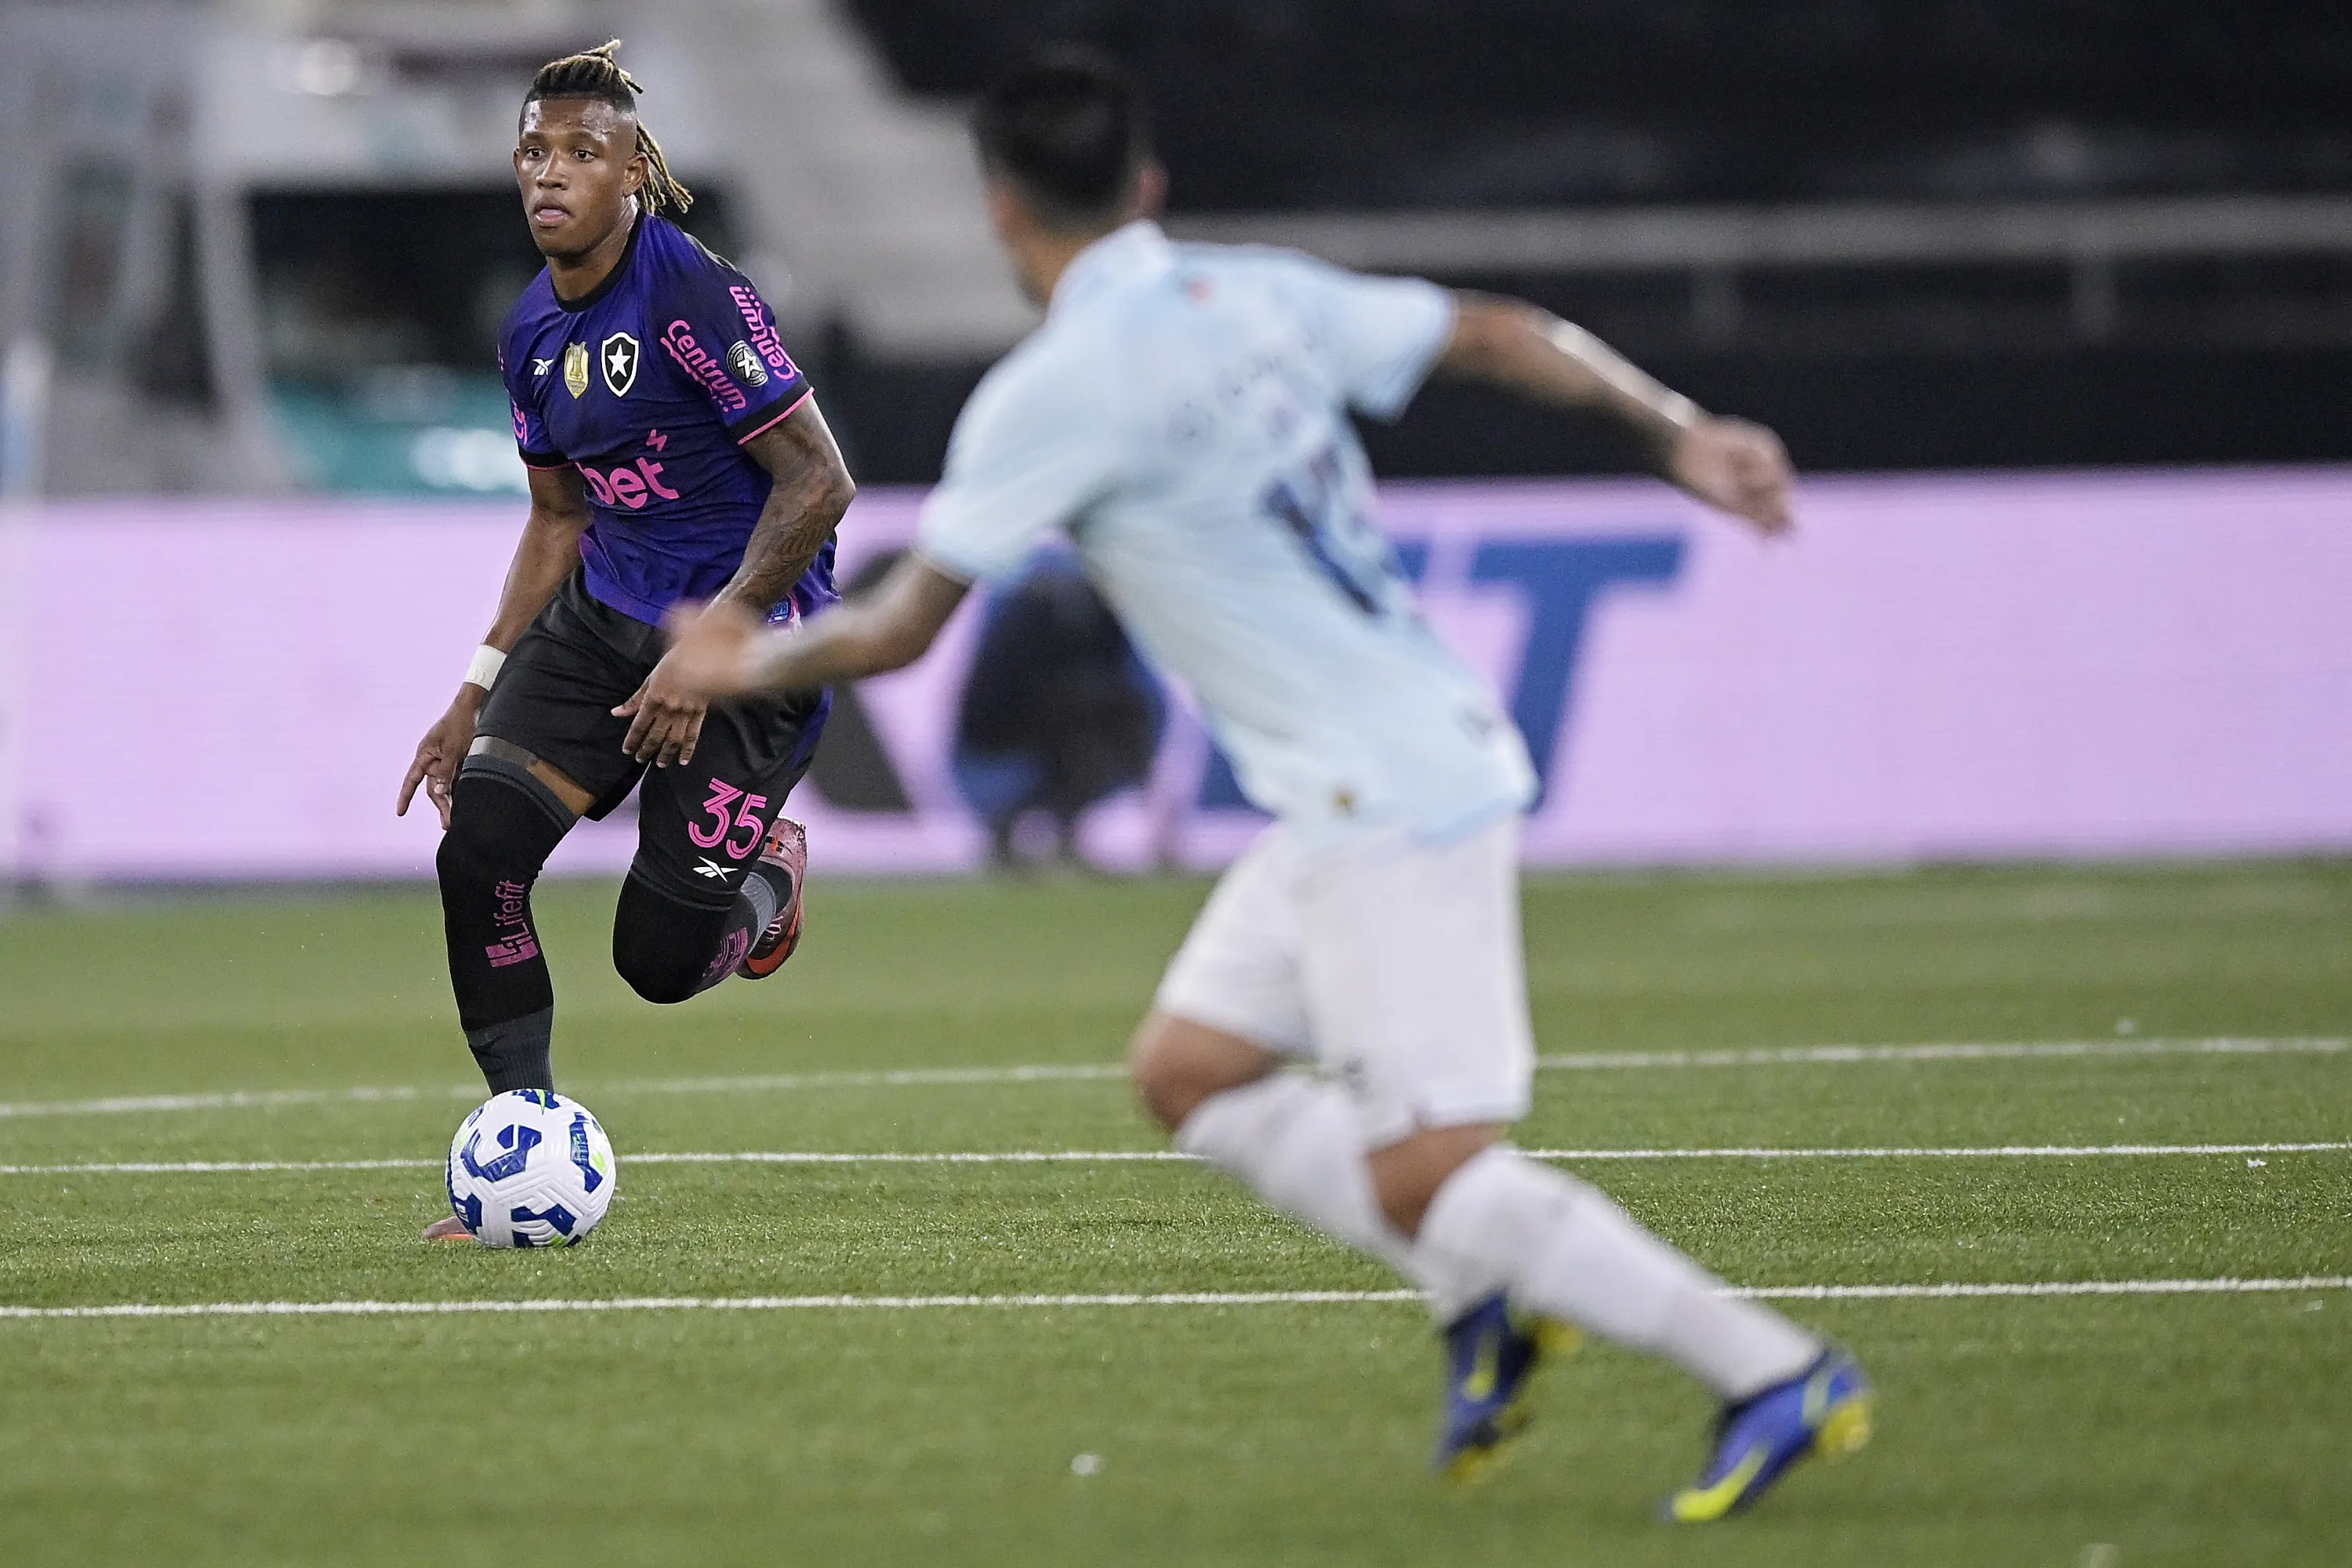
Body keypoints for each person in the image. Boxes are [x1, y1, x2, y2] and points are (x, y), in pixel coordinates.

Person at [659, 50, 1868, 1519]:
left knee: (1428, 1170)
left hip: (1387, 802)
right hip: (1373, 771)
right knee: (1190, 1074)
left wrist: (745, 661)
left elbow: (905, 627)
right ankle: (1481, 1300)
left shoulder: (1048, 396)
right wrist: (1678, 430)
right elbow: (1493, 333)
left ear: (999, 212)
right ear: (1148, 185)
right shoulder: (1258, 294)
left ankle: (1769, 1370)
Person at [396, 42, 855, 1243]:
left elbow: (819, 483)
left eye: (582, 153)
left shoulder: (691, 292)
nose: (552, 173)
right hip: (603, 625)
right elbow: (557, 515)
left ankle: (765, 878)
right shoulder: (528, 335)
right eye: (535, 152)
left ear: (633, 175)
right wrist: (473, 686)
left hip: (747, 648)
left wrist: (714, 647)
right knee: (478, 850)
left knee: (656, 962)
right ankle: (520, 1142)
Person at [953, 548, 1164, 870]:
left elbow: (1115, 671)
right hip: (1018, 721)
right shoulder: (1029, 617)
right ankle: (1022, 828)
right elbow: (1000, 687)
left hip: (1067, 721)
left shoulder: (1098, 614)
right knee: (1085, 746)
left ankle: (1064, 831)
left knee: (1101, 745)